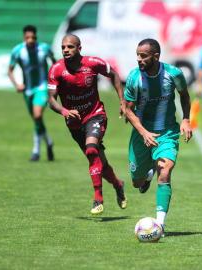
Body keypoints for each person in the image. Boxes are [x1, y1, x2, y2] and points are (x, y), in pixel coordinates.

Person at [47, 34, 127, 215]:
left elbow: (113, 73)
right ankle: (118, 184)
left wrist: (122, 100)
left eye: (70, 47)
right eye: (63, 47)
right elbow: (51, 100)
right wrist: (65, 112)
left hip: (95, 115)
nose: (66, 50)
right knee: (100, 163)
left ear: (79, 48)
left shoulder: (92, 63)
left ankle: (98, 198)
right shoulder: (56, 70)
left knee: (92, 150)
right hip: (74, 122)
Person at [124, 38, 192, 230]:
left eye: (143, 56)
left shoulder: (173, 74)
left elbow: (184, 95)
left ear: (156, 56)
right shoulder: (133, 77)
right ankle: (147, 175)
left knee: (165, 172)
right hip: (141, 133)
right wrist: (144, 132)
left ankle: (160, 225)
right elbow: (128, 109)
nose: (139, 59)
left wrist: (186, 119)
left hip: (167, 132)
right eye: (137, 55)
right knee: (137, 183)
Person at [8, 25, 56, 161]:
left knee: (37, 114)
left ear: (36, 37)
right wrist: (17, 84)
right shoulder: (18, 51)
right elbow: (10, 70)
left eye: (33, 37)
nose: (30, 40)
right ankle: (49, 142)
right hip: (27, 89)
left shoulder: (44, 49)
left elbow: (55, 64)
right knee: (37, 119)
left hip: (43, 87)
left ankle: (36, 150)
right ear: (24, 37)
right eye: (27, 37)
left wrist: (55, 82)